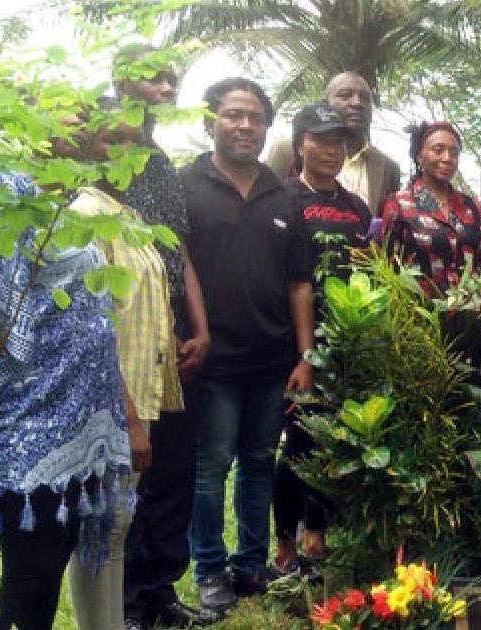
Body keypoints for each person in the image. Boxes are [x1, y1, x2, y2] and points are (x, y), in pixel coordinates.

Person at [0, 168, 137, 630]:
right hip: (26, 423)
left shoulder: (60, 210)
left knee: (50, 560)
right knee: (32, 570)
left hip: (77, 425)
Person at [181, 78, 315, 613]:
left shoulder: (283, 193)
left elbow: (300, 282)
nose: (244, 126)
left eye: (255, 118)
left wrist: (305, 356)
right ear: (210, 119)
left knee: (260, 460)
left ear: (266, 126)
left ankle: (251, 565)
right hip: (212, 360)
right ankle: (210, 568)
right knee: (211, 466)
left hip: (272, 358)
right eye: (233, 115)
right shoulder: (184, 185)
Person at [61, 97, 178, 630]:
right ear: (88, 144)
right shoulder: (85, 215)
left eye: (133, 143)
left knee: (114, 525)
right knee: (102, 530)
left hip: (134, 392)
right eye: (112, 140)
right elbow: (91, 330)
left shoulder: (127, 215)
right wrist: (129, 418)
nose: (123, 154)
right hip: (108, 401)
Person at [112, 45, 218, 630]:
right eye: (153, 76)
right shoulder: (102, 150)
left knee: (175, 465)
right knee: (134, 467)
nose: (164, 86)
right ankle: (123, 605)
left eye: (170, 78)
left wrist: (199, 328)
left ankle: (160, 592)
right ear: (122, 80)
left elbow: (179, 249)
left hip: (174, 331)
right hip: (126, 330)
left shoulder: (159, 160)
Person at [271, 102, 372, 579]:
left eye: (338, 142)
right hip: (291, 346)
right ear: (299, 144)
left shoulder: (356, 208)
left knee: (329, 441)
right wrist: (302, 354)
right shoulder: (283, 197)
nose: (330, 150)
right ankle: (285, 541)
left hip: (344, 345)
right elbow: (290, 280)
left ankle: (318, 532)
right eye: (319, 139)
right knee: (296, 444)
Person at [382, 121, 481, 293]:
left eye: (454, 152)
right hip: (421, 312)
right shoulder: (399, 204)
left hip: (471, 312)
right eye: (438, 150)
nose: (447, 158)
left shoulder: (472, 207)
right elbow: (388, 266)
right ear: (420, 156)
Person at [266, 71, 400, 209]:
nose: (357, 103)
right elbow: (266, 204)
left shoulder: (388, 168)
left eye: (365, 98)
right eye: (345, 95)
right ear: (326, 104)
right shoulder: (286, 150)